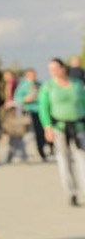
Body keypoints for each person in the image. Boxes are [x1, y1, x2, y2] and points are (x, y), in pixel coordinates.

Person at [38, 57, 85, 207]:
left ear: (63, 68)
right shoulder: (48, 87)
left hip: (78, 126)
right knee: (64, 160)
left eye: (55, 68)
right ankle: (71, 193)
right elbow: (43, 108)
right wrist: (47, 127)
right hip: (59, 128)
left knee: (82, 159)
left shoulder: (77, 84)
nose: (53, 72)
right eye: (50, 69)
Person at [14, 68, 49, 162]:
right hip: (31, 110)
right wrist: (26, 99)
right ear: (27, 75)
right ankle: (39, 151)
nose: (33, 77)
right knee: (35, 132)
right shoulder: (23, 85)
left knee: (43, 130)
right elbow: (17, 97)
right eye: (31, 75)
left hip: (41, 110)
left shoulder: (40, 84)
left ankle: (44, 148)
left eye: (34, 75)